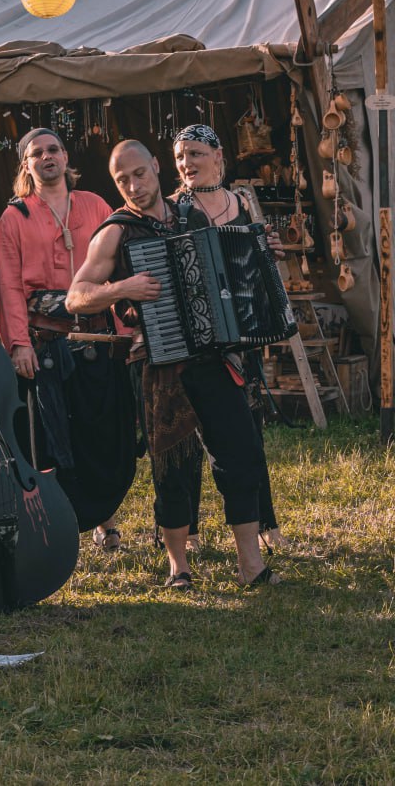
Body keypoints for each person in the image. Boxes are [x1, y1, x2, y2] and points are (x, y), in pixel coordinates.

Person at [66, 140, 280, 590]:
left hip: (214, 356)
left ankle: (251, 565)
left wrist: (261, 251)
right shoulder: (116, 231)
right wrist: (121, 288)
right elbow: (75, 296)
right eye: (122, 180)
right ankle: (178, 567)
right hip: (158, 365)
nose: (133, 186)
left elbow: (230, 268)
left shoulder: (193, 215)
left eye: (139, 174)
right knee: (172, 469)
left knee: (240, 455)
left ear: (155, 167)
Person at [0, 128, 136, 550]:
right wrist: (18, 343)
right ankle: (62, 523)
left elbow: (122, 268)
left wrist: (129, 331)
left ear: (65, 156)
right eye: (36, 153)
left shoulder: (95, 205)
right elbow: (8, 287)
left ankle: (105, 519)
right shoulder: (14, 217)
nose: (47, 157)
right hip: (47, 345)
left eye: (53, 149)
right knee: (59, 440)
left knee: (101, 431)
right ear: (26, 165)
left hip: (99, 339)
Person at [172, 124, 287, 551]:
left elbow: (258, 262)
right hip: (196, 338)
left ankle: (265, 521)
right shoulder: (173, 210)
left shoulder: (242, 203)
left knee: (249, 432)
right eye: (180, 156)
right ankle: (189, 530)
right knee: (188, 437)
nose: (187, 163)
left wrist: (269, 250)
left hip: (242, 330)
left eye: (196, 154)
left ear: (218, 156)